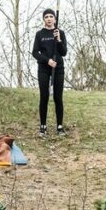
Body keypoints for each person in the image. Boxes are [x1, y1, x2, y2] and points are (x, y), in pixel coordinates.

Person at [32, 8, 68, 136]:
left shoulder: (60, 33)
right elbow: (35, 52)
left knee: (58, 97)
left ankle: (59, 126)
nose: (48, 18)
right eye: (46, 16)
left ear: (55, 19)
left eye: (51, 16)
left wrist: (58, 40)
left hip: (58, 69)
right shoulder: (40, 34)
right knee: (44, 97)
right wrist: (47, 60)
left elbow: (64, 52)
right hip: (44, 69)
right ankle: (43, 126)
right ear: (43, 19)